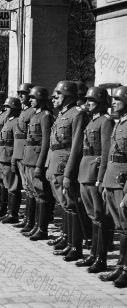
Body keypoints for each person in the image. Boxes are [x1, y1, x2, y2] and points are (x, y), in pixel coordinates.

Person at [46, 80, 88, 261]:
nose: (55, 97)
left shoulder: (77, 114)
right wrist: (48, 164)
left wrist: (69, 174)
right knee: (64, 204)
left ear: (68, 96)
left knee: (71, 205)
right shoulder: (63, 113)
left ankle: (75, 246)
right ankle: (67, 238)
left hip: (65, 166)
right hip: (55, 164)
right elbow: (53, 143)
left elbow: (77, 146)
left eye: (58, 94)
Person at [76, 87, 114, 272]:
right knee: (93, 216)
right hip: (86, 170)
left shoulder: (106, 122)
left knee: (100, 217)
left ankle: (101, 258)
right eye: (87, 99)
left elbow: (106, 152)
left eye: (91, 100)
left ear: (100, 102)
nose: (87, 102)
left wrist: (101, 178)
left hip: (95, 172)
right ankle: (93, 254)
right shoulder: (93, 120)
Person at [99, 86, 127, 286]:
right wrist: (104, 180)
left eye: (118, 99)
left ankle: (125, 269)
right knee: (120, 227)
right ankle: (120, 266)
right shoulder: (118, 123)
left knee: (126, 227)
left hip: (123, 183)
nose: (113, 103)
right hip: (112, 179)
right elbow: (110, 154)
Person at [21, 86, 53, 238]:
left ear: (40, 99)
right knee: (33, 192)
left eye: (33, 98)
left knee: (41, 195)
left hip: (37, 160)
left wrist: (40, 165)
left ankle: (42, 229)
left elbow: (46, 143)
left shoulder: (45, 116)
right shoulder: (35, 115)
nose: (30, 100)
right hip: (29, 158)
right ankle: (35, 225)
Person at [12, 83, 36, 231]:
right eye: (19, 93)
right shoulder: (24, 110)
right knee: (27, 188)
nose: (20, 96)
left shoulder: (33, 112)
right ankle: (27, 219)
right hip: (20, 151)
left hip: (27, 152)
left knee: (30, 188)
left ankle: (31, 221)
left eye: (23, 93)